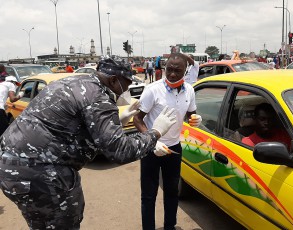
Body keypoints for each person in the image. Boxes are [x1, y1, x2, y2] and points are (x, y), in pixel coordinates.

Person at [0, 57, 177, 229]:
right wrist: (156, 132)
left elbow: (74, 126)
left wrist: (118, 120)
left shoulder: (75, 82)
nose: (128, 89)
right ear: (114, 80)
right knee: (64, 223)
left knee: (41, 224)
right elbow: (119, 151)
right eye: (127, 84)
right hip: (42, 174)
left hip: (10, 170)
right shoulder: (98, 97)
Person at [134, 53, 202, 230]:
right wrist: (151, 140)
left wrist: (194, 119)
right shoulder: (153, 90)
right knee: (149, 195)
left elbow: (190, 114)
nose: (172, 74)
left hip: (173, 149)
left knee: (172, 192)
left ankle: (169, 226)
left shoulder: (190, 90)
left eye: (177, 71)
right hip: (151, 149)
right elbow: (137, 119)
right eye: (169, 70)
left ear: (185, 71)